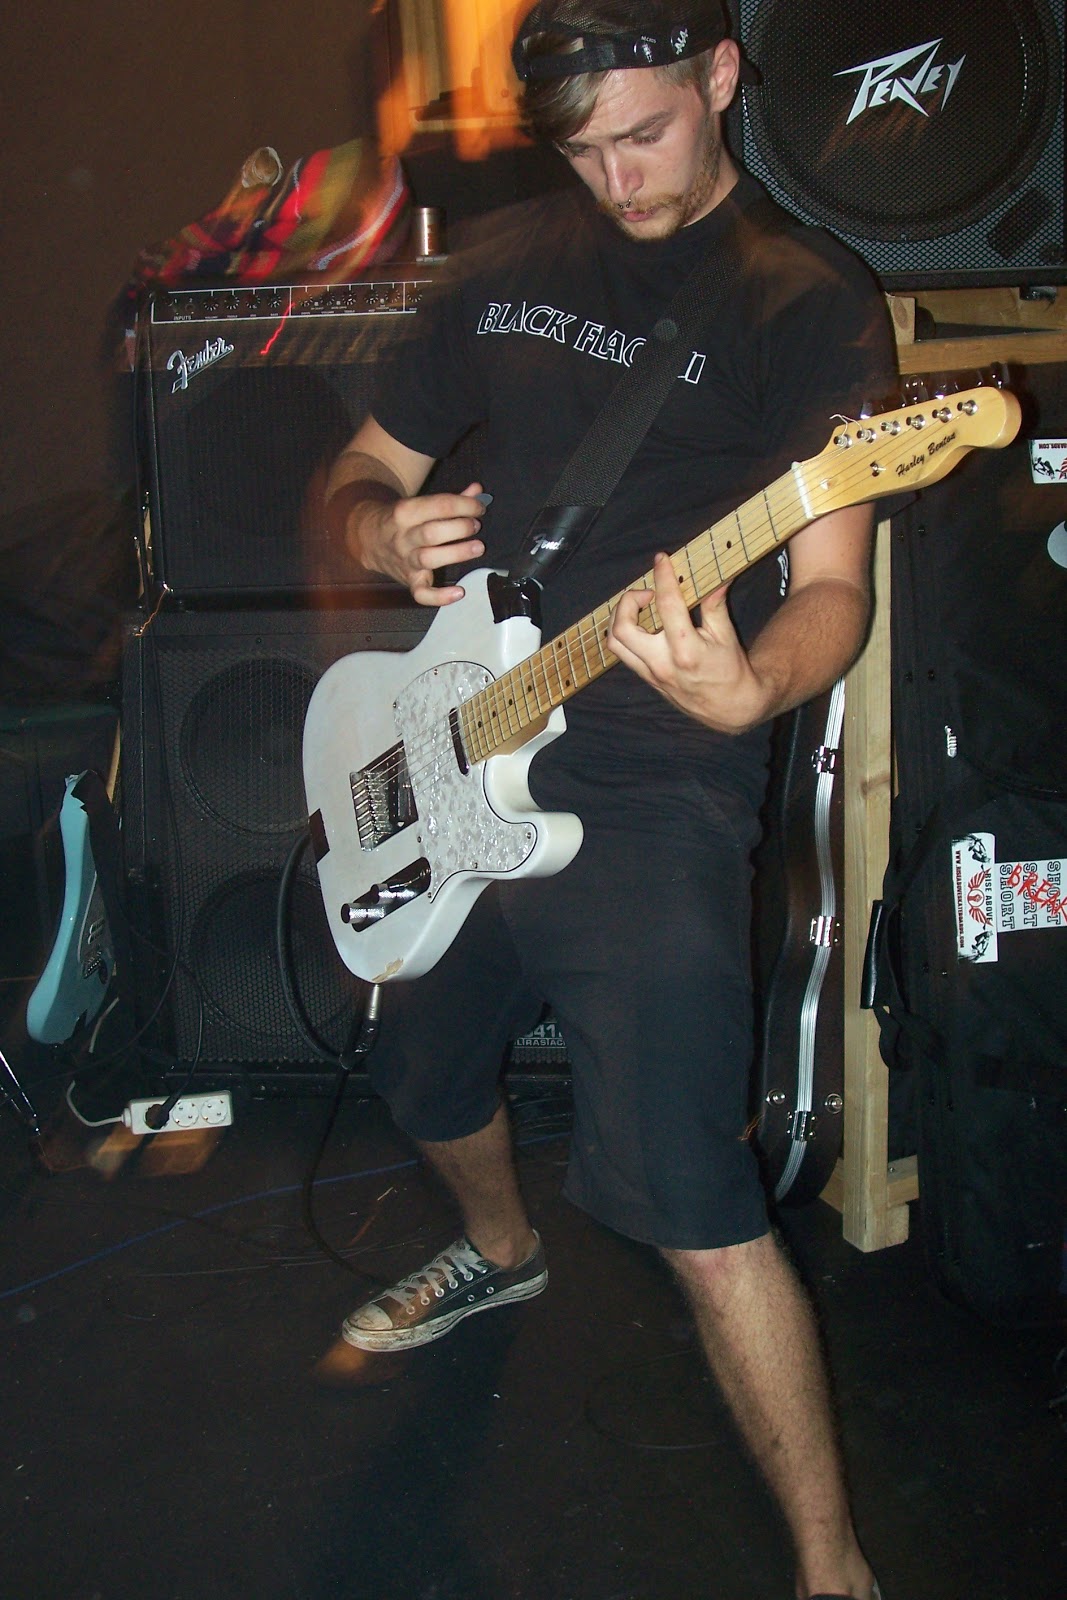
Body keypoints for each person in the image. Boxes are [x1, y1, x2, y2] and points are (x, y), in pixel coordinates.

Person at [323, 5, 893, 1597]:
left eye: (644, 133)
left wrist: (755, 685)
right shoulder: (504, 260)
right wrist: (376, 533)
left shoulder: (805, 299)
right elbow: (359, 470)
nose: (619, 178)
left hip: (654, 782)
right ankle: (502, 1253)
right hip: (458, 739)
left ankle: (833, 1565)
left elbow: (833, 588)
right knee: (422, 1073)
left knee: (699, 1209)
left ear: (722, 76)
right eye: (583, 148)